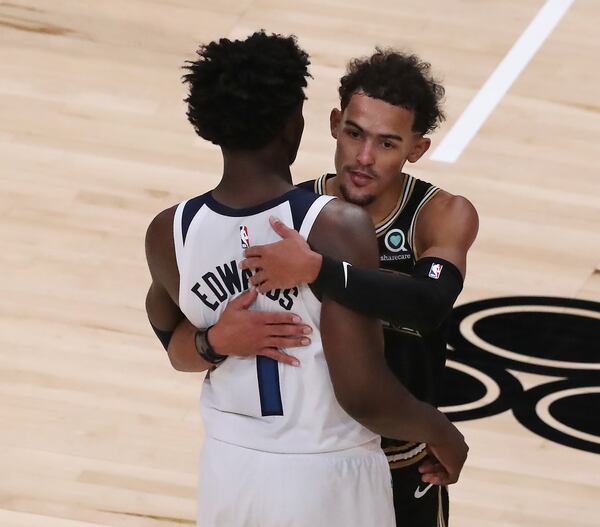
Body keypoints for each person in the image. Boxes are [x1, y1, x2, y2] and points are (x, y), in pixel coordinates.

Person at [145, 33, 468, 527]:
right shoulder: (318, 219)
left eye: (387, 143)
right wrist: (215, 341)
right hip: (336, 459)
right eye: (355, 134)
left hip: (254, 466)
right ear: (323, 124)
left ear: (416, 149)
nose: (364, 157)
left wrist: (319, 273)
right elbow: (360, 391)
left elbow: (429, 303)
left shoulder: (436, 214)